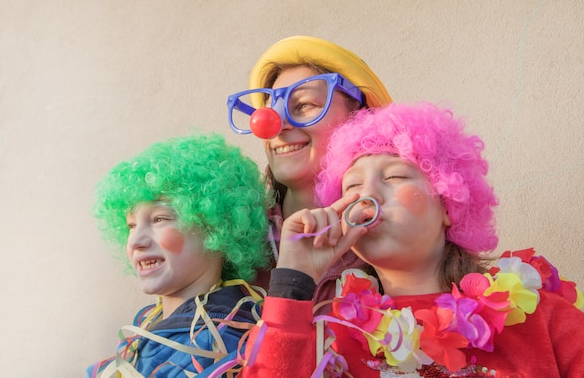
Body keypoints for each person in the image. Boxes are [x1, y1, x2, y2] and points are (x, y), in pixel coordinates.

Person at [239, 102, 584, 377]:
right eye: (352, 186)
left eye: (395, 175)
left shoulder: (542, 317)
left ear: (449, 203)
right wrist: (294, 281)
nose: (368, 194)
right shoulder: (329, 338)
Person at [86, 134, 271, 377]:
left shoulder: (221, 345)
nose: (135, 241)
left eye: (159, 219)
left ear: (214, 227)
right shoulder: (148, 323)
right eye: (131, 225)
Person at [227, 35, 393, 305]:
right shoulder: (237, 241)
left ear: (360, 119)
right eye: (269, 112)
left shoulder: (397, 229)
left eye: (303, 105)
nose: (276, 126)